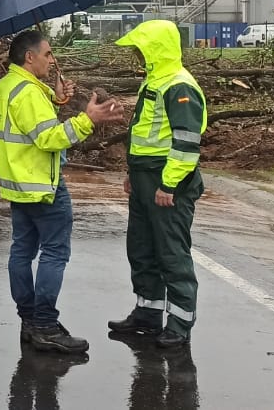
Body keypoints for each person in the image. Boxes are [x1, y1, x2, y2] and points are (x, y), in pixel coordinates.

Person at [0, 30, 123, 354]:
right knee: (54, 254)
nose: (53, 60)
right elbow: (48, 137)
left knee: (22, 251)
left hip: (18, 186)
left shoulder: (7, 86)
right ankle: (46, 326)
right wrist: (87, 120)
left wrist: (57, 95)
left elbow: (28, 119)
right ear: (29, 57)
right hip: (43, 188)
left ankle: (30, 321)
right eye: (48, 54)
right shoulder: (29, 94)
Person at [108, 20, 208, 348]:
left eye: (139, 49)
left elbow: (186, 143)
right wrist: (132, 174)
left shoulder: (180, 86)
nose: (135, 55)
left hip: (167, 181)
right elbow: (145, 135)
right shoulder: (155, 80)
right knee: (142, 249)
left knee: (171, 253)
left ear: (154, 50)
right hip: (144, 178)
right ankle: (148, 313)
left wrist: (168, 185)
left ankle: (180, 322)